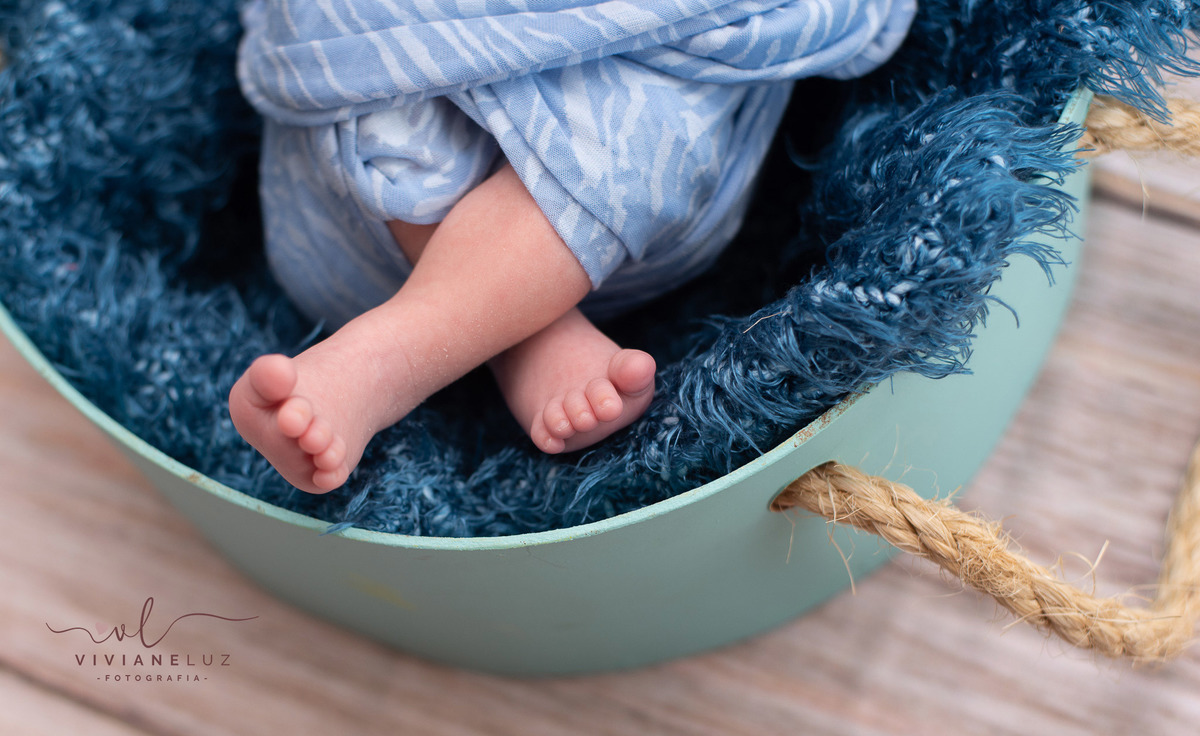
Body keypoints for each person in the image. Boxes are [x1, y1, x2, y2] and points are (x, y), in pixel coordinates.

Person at [229, 0, 917, 494]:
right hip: (358, 202)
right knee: (372, 53)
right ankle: (523, 330)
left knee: (631, 132)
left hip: (608, 183)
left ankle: (393, 355)